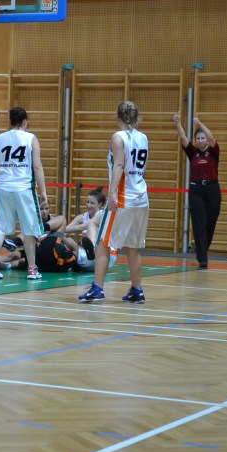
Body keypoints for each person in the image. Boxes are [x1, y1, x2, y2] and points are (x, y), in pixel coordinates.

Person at [79, 101, 149, 303]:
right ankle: (137, 290)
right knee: (133, 246)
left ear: (118, 118)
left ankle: (97, 289)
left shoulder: (118, 137)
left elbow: (118, 165)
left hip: (123, 198)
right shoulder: (143, 137)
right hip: (141, 198)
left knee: (103, 243)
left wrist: (111, 194)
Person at [0, 107, 48, 280]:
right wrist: (43, 191)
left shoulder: (0, 138)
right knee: (29, 229)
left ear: (11, 121)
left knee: (1, 227)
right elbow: (37, 166)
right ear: (25, 121)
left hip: (3, 187)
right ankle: (32, 269)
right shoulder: (30, 138)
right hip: (24, 189)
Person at [174, 113, 221, 269]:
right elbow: (183, 139)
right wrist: (178, 123)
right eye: (198, 138)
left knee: (210, 224)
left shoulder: (214, 152)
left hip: (212, 189)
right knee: (199, 223)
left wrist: (199, 124)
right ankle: (203, 258)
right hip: (196, 190)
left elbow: (212, 138)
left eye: (202, 138)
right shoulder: (193, 153)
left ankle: (202, 250)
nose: (201, 141)